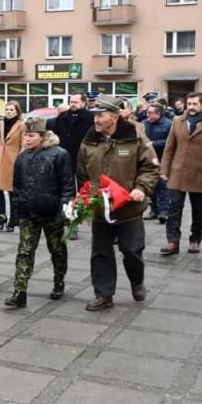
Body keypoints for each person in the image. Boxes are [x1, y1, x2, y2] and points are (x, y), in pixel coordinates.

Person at [77, 97, 159, 311]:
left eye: (100, 115)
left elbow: (151, 168)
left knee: (132, 251)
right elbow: (82, 172)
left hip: (129, 207)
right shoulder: (89, 140)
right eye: (95, 115)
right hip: (100, 208)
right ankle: (104, 295)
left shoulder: (135, 137)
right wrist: (86, 195)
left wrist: (141, 188)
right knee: (101, 253)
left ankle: (136, 281)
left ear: (113, 117)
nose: (96, 119)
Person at [4, 117, 75, 308]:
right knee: (25, 252)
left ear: (42, 136)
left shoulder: (59, 155)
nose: (26, 139)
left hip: (52, 213)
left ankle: (59, 282)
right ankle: (20, 292)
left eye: (31, 136)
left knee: (57, 250)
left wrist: (63, 212)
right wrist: (18, 211)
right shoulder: (22, 157)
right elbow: (16, 186)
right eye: (25, 135)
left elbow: (67, 186)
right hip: (29, 212)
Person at [159, 92, 202, 256]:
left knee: (199, 211)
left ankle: (195, 240)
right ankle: (173, 241)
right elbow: (169, 148)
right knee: (174, 209)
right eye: (189, 104)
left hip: (200, 174)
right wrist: (164, 170)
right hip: (178, 173)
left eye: (195, 104)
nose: (192, 107)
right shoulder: (177, 121)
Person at [53, 93, 95, 240]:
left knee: (84, 192)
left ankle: (86, 219)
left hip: (83, 159)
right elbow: (55, 135)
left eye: (76, 102)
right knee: (67, 193)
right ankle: (72, 224)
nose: (73, 104)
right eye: (71, 101)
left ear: (83, 103)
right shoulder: (62, 117)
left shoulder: (90, 118)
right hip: (65, 159)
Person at [0, 100, 24, 232]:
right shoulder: (0, 123)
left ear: (17, 111)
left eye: (11, 110)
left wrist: (20, 159)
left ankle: (13, 219)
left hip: (13, 161)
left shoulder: (21, 125)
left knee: (12, 191)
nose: (8, 112)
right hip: (0, 160)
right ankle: (1, 217)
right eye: (7, 110)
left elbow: (23, 144)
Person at [143, 104, 172, 223]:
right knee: (150, 186)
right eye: (147, 112)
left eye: (150, 113)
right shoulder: (145, 123)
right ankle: (154, 209)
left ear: (158, 114)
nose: (147, 115)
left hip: (163, 159)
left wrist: (154, 143)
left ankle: (164, 212)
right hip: (148, 160)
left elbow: (170, 141)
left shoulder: (168, 124)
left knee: (163, 186)